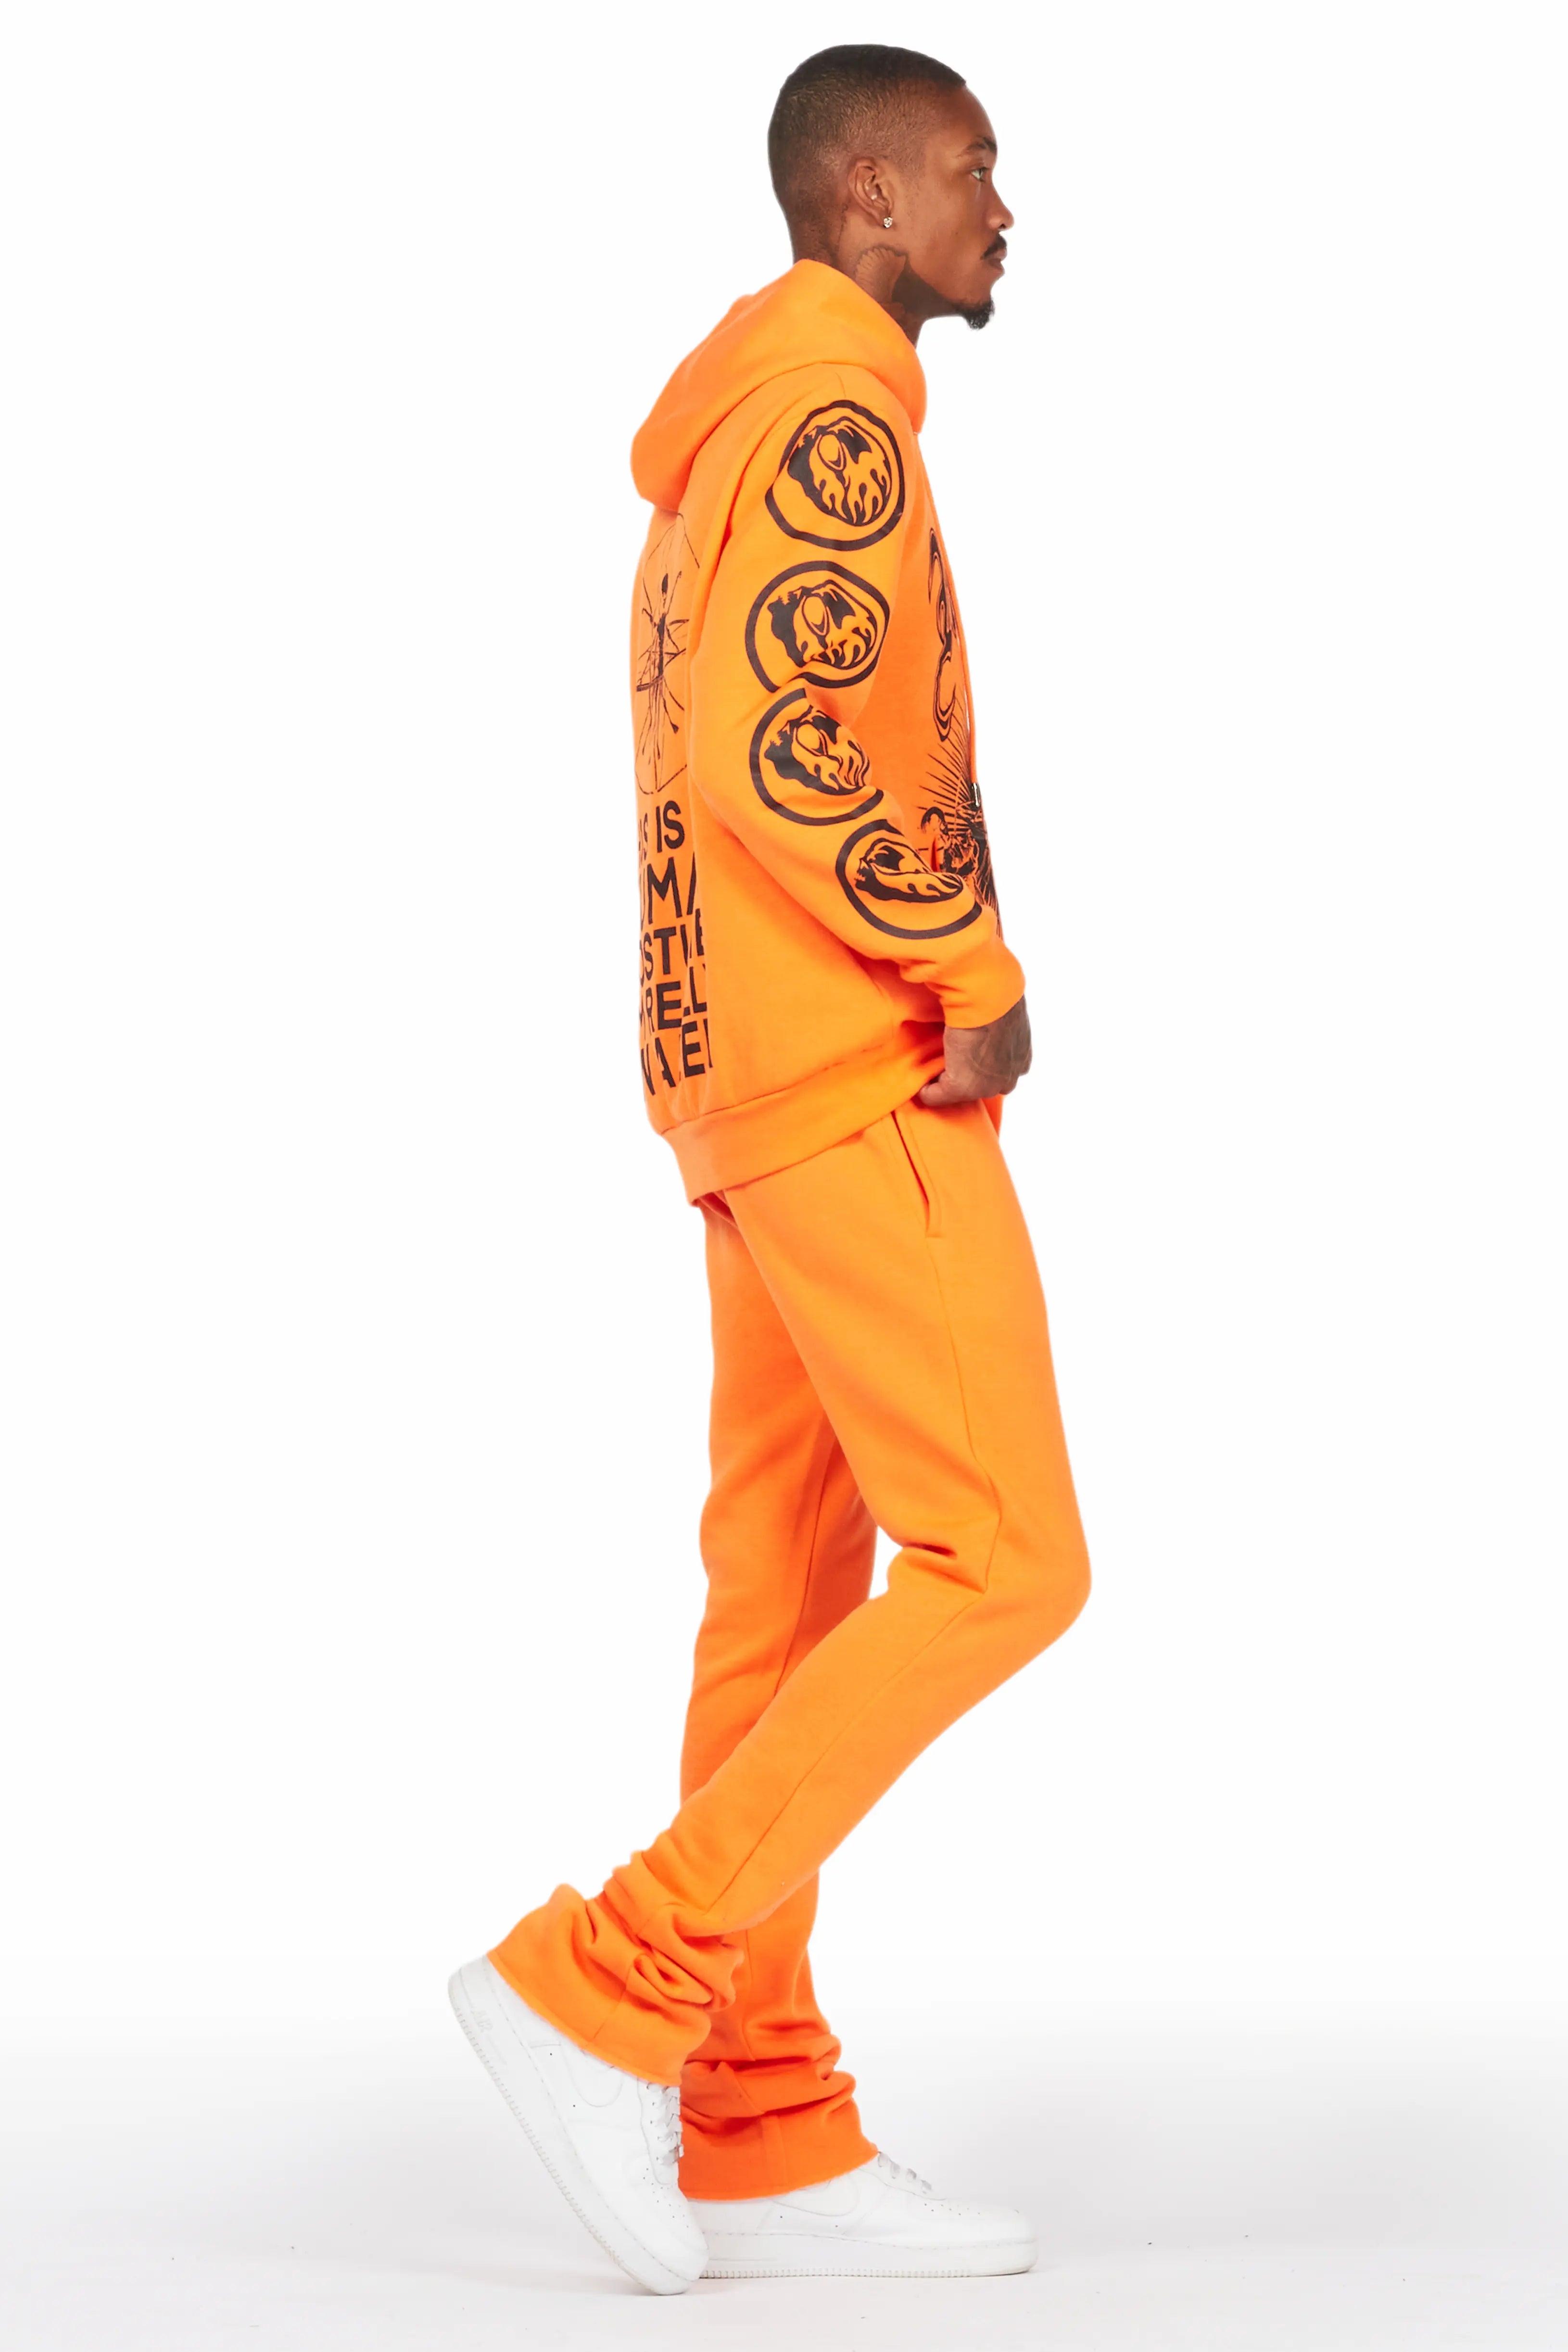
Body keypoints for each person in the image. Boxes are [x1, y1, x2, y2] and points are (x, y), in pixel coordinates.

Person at [449, 42, 1091, 2294]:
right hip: (848, 1069)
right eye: (973, 171)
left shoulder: (740, 423)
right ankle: (607, 1981)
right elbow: (776, 741)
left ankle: (755, 2115)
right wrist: (968, 960)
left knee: (785, 1602)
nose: (1004, 209)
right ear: (864, 198)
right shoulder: (826, 412)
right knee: (1005, 1555)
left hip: (740, 1076)